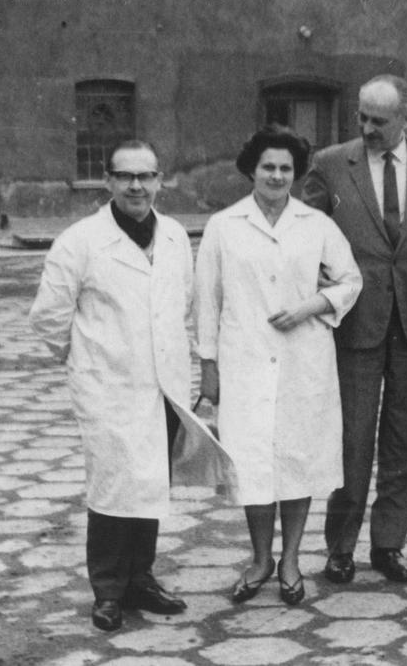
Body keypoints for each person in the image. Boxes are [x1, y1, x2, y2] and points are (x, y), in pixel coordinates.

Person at [195, 126, 362, 606]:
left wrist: (310, 307)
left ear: (297, 173)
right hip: (244, 361)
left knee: (295, 458)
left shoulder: (316, 224)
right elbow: (207, 300)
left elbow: (350, 280)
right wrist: (209, 366)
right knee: (251, 461)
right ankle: (259, 559)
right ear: (252, 170)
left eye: (286, 168)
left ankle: (289, 559)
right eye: (268, 166)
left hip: (301, 360)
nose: (276, 175)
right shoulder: (225, 226)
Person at [29, 140, 192, 631]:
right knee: (112, 489)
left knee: (150, 483)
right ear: (108, 181)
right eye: (125, 176)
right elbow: (48, 318)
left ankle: (141, 579)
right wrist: (88, 363)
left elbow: (183, 302)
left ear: (160, 180)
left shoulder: (175, 236)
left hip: (163, 385)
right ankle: (107, 591)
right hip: (108, 387)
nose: (136, 186)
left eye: (145, 176)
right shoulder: (79, 241)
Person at [302, 74, 407, 584]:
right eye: (362, 117)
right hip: (354, 325)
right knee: (352, 441)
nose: (367, 128)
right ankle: (340, 548)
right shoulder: (330, 164)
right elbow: (305, 237)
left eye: (379, 121)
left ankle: (389, 544)